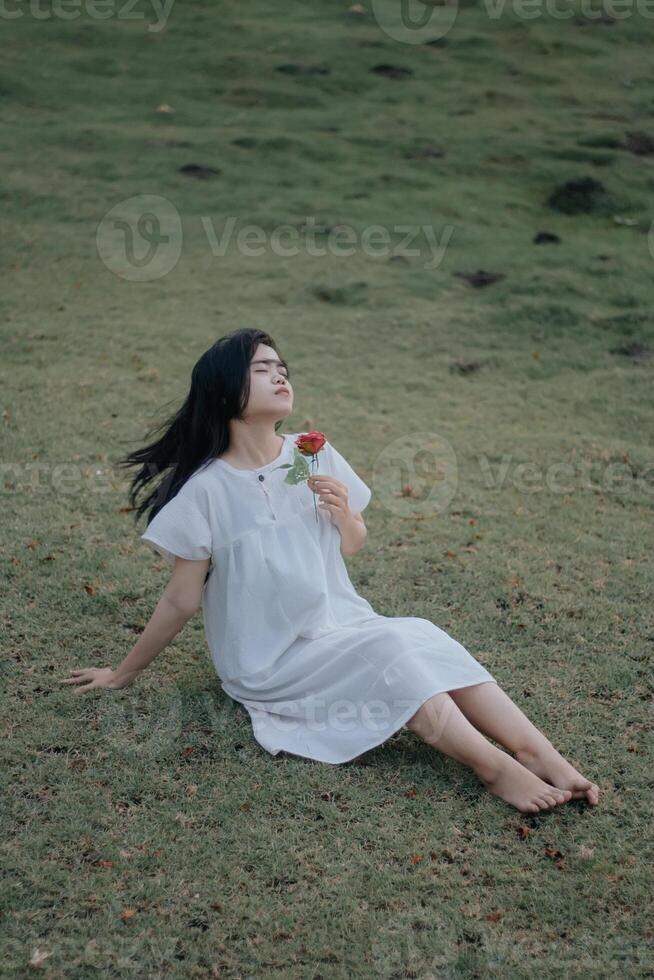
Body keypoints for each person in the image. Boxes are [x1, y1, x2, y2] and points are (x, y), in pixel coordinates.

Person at [59, 328, 599, 814]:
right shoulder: (207, 490)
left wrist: (344, 516)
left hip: (340, 623)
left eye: (283, 368)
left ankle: (540, 753)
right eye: (262, 369)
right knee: (391, 653)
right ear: (225, 390)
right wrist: (122, 672)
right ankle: (495, 767)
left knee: (419, 635)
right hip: (270, 661)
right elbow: (181, 599)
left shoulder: (312, 453)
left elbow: (354, 541)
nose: (280, 376)